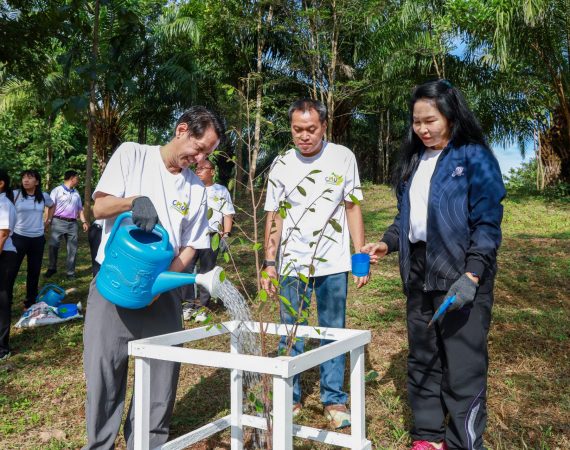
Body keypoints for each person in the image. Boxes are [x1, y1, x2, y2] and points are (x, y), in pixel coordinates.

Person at [362, 80, 506, 450]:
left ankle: (464, 442)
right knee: (423, 358)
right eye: (416, 122)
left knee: (463, 367)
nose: (423, 129)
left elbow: (488, 222)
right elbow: (405, 219)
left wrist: (473, 274)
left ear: (451, 115)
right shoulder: (414, 161)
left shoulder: (475, 157)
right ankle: (428, 436)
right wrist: (386, 243)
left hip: (462, 273)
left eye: (431, 121)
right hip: (419, 272)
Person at [82, 106, 224, 450]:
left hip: (161, 293)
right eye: (199, 147)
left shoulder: (197, 189)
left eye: (208, 153)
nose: (201, 158)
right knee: (104, 373)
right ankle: (99, 444)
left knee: (160, 380)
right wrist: (134, 202)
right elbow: (97, 208)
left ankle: (146, 444)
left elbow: (191, 246)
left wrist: (159, 287)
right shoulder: (133, 154)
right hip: (113, 285)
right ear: (181, 129)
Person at [260, 98, 369, 430]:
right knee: (290, 332)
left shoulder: (343, 157)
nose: (304, 136)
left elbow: (351, 207)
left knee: (332, 330)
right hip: (292, 264)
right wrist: (269, 261)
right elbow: (274, 215)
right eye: (297, 129)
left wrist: (360, 257)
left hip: (333, 263)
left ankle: (333, 399)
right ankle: (289, 398)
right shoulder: (280, 164)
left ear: (324, 127)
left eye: (311, 129)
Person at [182, 159, 235, 322]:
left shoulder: (221, 190)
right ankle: (187, 304)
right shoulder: (190, 188)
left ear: (212, 171)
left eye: (202, 168)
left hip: (211, 236)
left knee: (206, 271)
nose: (198, 171)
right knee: (186, 269)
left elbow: (228, 213)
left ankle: (202, 308)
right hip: (191, 236)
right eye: (196, 168)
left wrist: (226, 235)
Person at [11, 170, 54, 308]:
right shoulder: (15, 194)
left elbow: (52, 205)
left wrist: (48, 220)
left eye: (29, 178)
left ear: (37, 182)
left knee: (34, 271)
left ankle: (30, 302)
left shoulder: (44, 196)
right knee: (11, 270)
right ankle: (7, 301)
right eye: (23, 177)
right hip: (18, 237)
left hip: (37, 239)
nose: (25, 180)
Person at [45, 170, 89, 279]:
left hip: (72, 224)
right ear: (72, 178)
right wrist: (48, 221)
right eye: (77, 178)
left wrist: (84, 221)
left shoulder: (76, 193)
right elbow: (50, 207)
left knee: (72, 249)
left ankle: (70, 273)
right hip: (58, 221)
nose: (78, 180)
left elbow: (80, 209)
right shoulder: (57, 190)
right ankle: (52, 268)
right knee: (53, 246)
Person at [0, 169, 18, 362]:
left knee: (2, 299)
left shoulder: (4, 204)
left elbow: (3, 234)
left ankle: (2, 347)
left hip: (5, 254)